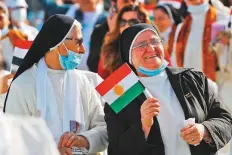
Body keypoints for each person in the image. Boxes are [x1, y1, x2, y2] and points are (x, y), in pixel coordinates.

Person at [104, 23, 232, 155]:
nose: (151, 48)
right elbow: (116, 150)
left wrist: (204, 130)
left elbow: (226, 121)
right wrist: (144, 126)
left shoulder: (192, 78)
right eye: (141, 45)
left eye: (155, 41)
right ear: (128, 54)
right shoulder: (120, 92)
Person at [4, 14, 108, 155]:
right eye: (78, 42)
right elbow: (13, 139)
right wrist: (52, 151)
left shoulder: (85, 81)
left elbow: (103, 127)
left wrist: (83, 140)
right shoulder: (23, 85)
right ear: (59, 43)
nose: (83, 49)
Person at [171, 0, 229, 81]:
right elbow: (175, 63)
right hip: (190, 85)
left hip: (219, 83)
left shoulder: (223, 20)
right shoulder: (181, 28)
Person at [40, 0, 104, 70]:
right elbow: (48, 4)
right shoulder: (68, 11)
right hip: (65, 71)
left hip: (92, 73)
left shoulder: (105, 20)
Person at [98, 4, 150, 79]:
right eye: (122, 22)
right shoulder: (109, 49)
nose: (126, 26)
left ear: (144, 24)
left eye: (133, 22)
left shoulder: (154, 47)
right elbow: (102, 82)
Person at [87, 0, 137, 73]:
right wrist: (113, 35)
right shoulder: (100, 30)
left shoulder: (144, 24)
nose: (131, 4)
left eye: (134, 1)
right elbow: (93, 65)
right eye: (125, 1)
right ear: (114, 3)